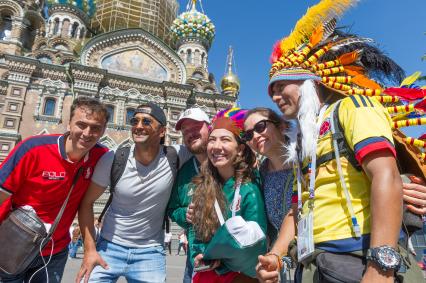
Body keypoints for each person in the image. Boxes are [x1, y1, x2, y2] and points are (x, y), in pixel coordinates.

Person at [256, 1, 425, 282]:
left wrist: (381, 266)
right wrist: (275, 256)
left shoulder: (354, 107)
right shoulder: (303, 140)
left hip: (358, 261)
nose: (274, 96)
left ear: (308, 82)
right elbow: (297, 208)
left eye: (281, 86)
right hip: (314, 264)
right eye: (271, 90)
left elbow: (386, 174)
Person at [76, 102, 191, 283]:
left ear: (162, 131)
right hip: (109, 247)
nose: (138, 126)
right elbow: (86, 203)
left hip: (150, 251)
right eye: (134, 121)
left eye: (146, 122)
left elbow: (208, 149)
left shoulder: (175, 155)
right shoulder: (114, 158)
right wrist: (90, 251)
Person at [0, 96, 109, 282]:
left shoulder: (102, 157)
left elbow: (86, 204)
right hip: (13, 244)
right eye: (81, 124)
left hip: (54, 252)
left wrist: (90, 250)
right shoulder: (34, 149)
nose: (87, 133)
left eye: (96, 128)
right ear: (69, 124)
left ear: (102, 131)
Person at [190, 108, 267, 283]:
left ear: (240, 149)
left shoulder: (249, 189)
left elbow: (256, 243)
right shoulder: (204, 186)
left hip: (241, 278)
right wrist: (198, 254)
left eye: (225, 140)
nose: (217, 147)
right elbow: (197, 233)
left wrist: (222, 262)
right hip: (206, 276)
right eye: (212, 140)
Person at [243, 107, 296, 281]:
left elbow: (296, 213)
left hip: (316, 255)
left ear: (281, 126)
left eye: (260, 127)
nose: (256, 136)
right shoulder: (261, 173)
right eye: (249, 135)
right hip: (282, 259)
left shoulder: (306, 160)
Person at [167, 107, 210, 283]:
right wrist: (184, 215)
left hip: (232, 262)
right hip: (195, 261)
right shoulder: (184, 171)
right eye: (185, 131)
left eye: (196, 127)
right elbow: (173, 207)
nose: (190, 134)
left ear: (210, 127)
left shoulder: (227, 161)